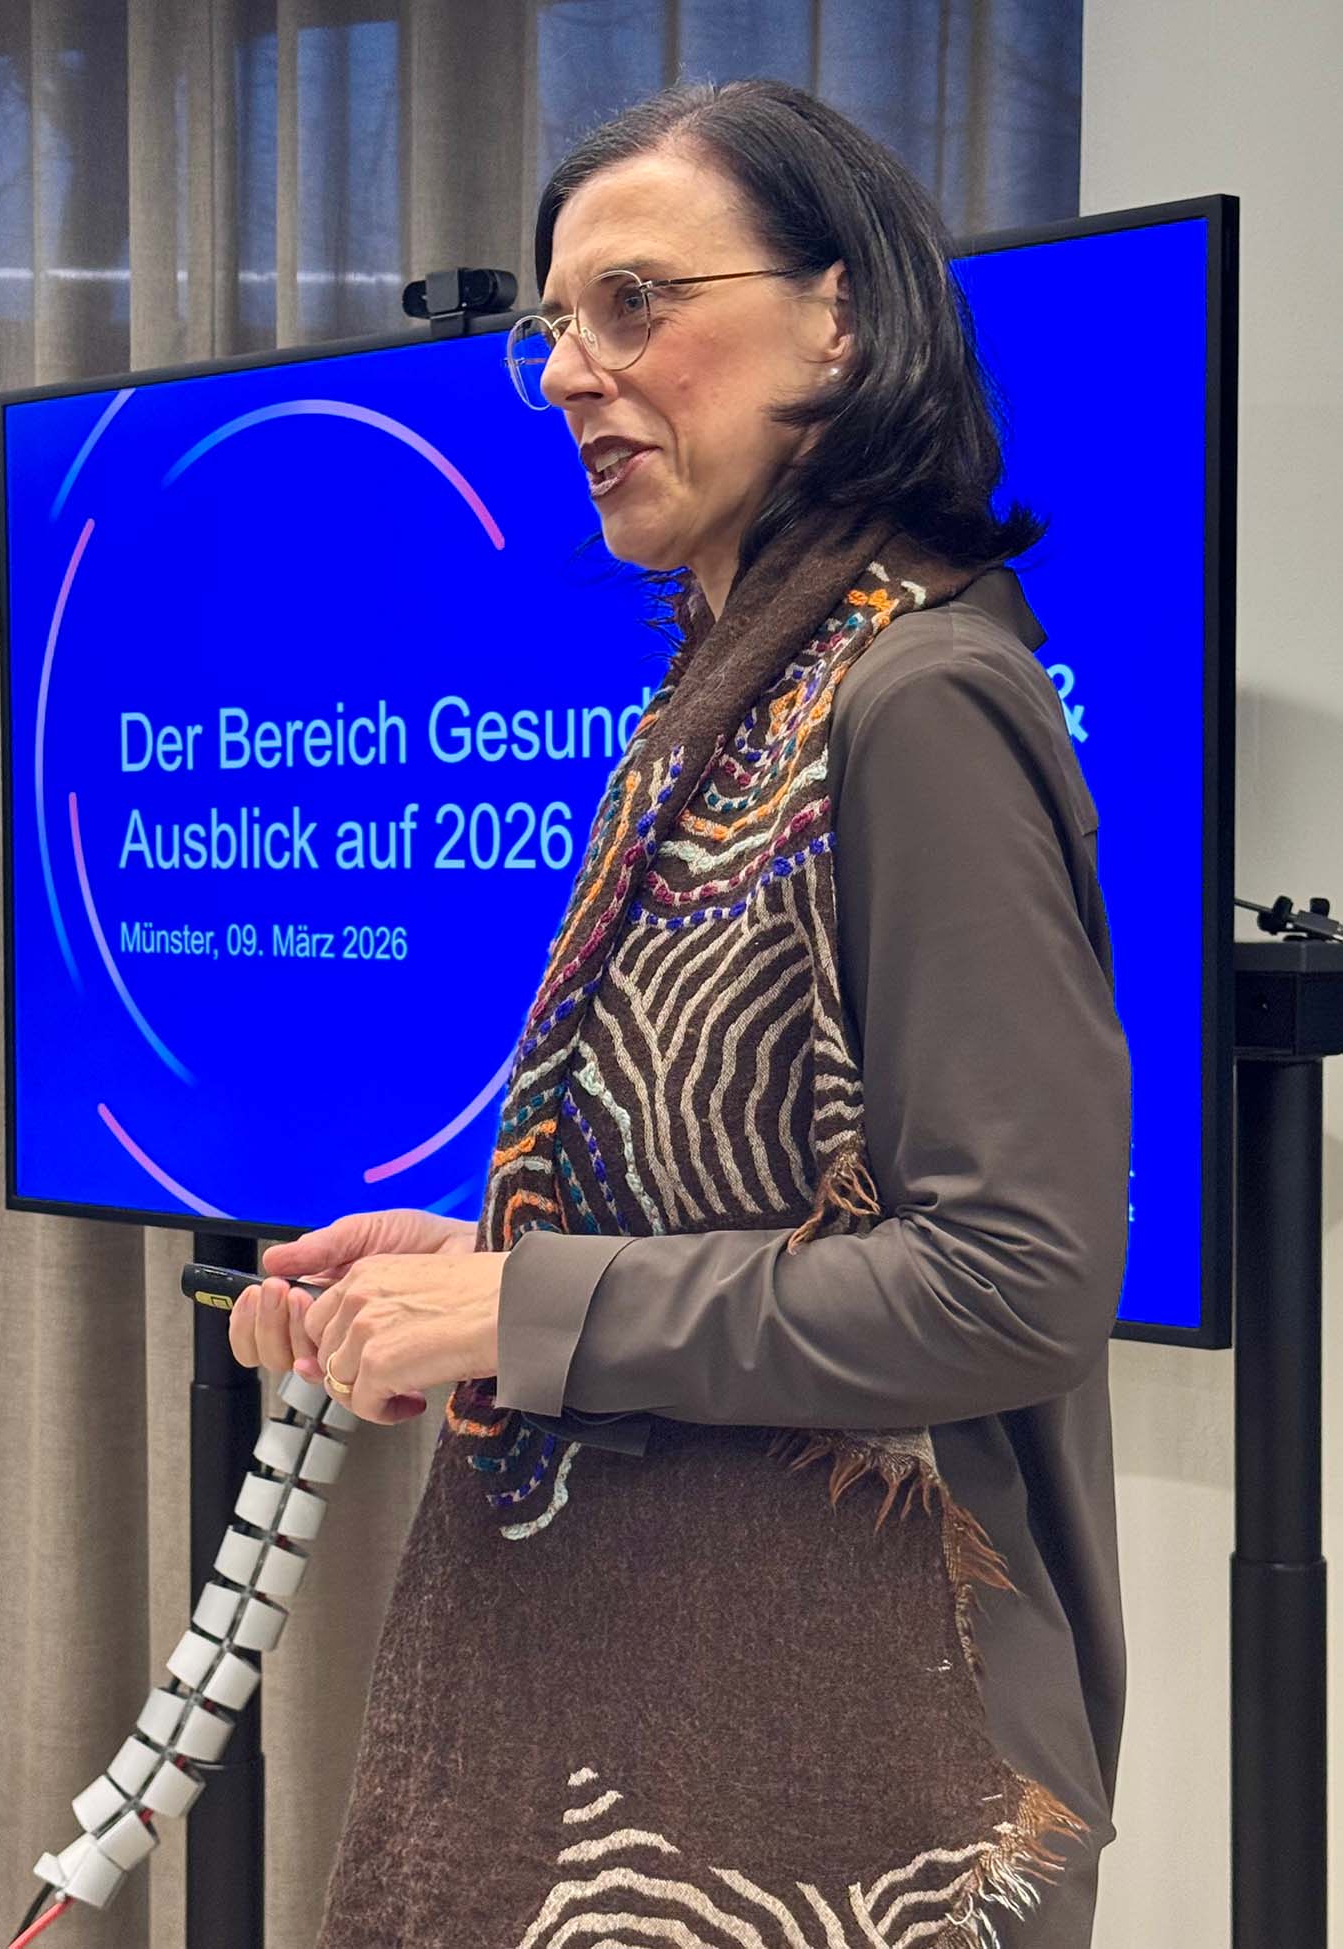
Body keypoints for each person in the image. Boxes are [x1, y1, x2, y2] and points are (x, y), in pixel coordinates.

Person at [230, 77, 1131, 1949]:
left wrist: (530, 1309)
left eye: (633, 303)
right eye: (557, 325)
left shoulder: (918, 698)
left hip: (851, 1827)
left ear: (838, 319)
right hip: (657, 1760)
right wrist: (486, 1270)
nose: (570, 373)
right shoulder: (726, 701)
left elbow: (1010, 1283)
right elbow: (760, 1223)